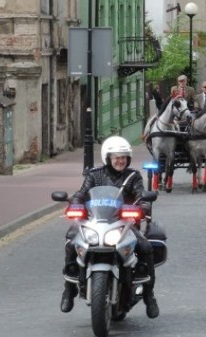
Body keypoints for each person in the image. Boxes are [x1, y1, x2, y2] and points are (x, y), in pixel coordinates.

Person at [60, 136, 160, 318]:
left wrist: (142, 208)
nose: (120, 160)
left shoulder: (133, 176)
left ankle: (149, 295)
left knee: (145, 246)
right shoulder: (94, 175)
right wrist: (74, 205)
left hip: (125, 225)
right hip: (95, 223)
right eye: (116, 157)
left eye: (123, 157)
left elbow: (142, 197)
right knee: (71, 242)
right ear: (108, 157)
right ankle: (69, 290)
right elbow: (80, 195)